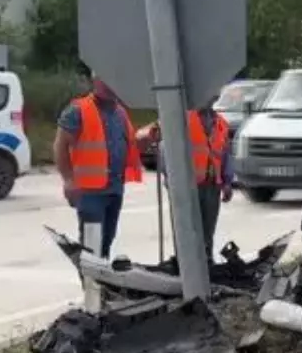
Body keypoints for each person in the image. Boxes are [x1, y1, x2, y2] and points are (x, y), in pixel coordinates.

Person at [53, 73, 144, 258]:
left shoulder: (120, 112)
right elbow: (60, 145)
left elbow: (129, 146)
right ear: (95, 81)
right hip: (90, 193)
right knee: (92, 247)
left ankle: (101, 284)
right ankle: (91, 286)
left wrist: (148, 138)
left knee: (106, 245)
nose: (110, 84)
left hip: (114, 189)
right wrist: (69, 180)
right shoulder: (78, 110)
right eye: (104, 79)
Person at [139, 101, 234, 261]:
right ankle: (187, 271)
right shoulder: (182, 118)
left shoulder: (221, 123)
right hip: (187, 189)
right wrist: (173, 182)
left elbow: (225, 154)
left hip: (211, 187)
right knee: (187, 236)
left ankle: (207, 269)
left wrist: (227, 182)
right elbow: (164, 149)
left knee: (207, 235)